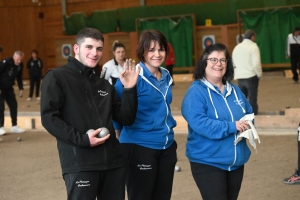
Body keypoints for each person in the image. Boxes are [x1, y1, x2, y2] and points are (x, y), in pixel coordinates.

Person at [40, 27, 140, 200]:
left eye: (99, 49)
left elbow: (126, 118)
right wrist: (83, 140)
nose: (95, 53)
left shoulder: (104, 85)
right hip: (80, 164)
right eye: (89, 47)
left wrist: (130, 89)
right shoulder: (57, 77)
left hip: (113, 164)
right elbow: (49, 118)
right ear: (76, 49)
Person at [181, 43, 253, 200]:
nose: (218, 64)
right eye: (213, 59)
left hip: (236, 162)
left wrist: (249, 125)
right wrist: (232, 126)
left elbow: (248, 112)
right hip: (208, 162)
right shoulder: (195, 92)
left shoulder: (235, 90)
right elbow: (200, 123)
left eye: (223, 60)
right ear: (204, 62)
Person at [114, 30, 177, 200]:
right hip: (139, 146)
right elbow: (115, 108)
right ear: (142, 51)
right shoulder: (131, 76)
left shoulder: (166, 75)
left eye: (161, 49)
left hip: (166, 146)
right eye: (151, 50)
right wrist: (119, 134)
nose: (157, 54)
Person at [232, 29, 262, 115]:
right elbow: (256, 64)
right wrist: (259, 74)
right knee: (252, 98)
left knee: (242, 98)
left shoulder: (237, 47)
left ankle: (242, 116)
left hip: (240, 77)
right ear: (252, 37)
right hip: (251, 76)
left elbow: (233, 63)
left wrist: (236, 74)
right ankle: (253, 116)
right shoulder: (253, 47)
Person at [0, 51, 26, 135]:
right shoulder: (6, 62)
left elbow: (19, 77)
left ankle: (14, 126)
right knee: (1, 108)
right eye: (18, 59)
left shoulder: (20, 65)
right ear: (14, 57)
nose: (19, 61)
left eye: (20, 60)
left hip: (9, 88)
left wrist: (21, 88)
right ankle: (1, 127)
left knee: (13, 105)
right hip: (0, 88)